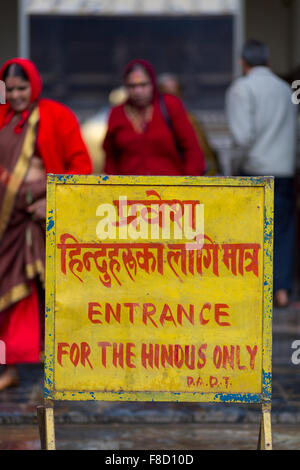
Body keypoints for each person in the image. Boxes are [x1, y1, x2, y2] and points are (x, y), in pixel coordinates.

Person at [0, 58, 92, 390]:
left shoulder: (57, 115)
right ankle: (9, 369)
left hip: (44, 218)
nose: (16, 95)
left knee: (50, 290)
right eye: (9, 90)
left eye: (22, 88)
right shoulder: (1, 117)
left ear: (34, 85)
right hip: (7, 223)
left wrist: (49, 201)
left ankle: (60, 365)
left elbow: (81, 167)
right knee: (9, 294)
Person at [225, 39, 298, 308]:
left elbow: (242, 138)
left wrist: (232, 170)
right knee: (283, 232)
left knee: (252, 234)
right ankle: (281, 291)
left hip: (255, 171)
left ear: (242, 62)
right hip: (284, 171)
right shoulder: (284, 88)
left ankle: (255, 293)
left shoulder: (241, 89)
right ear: (268, 61)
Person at [103, 59, 206, 176]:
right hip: (129, 189)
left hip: (170, 188)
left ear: (152, 84)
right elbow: (110, 157)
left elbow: (193, 151)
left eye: (143, 85)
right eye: (132, 86)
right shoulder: (117, 114)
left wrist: (188, 186)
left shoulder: (171, 106)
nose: (138, 91)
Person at [157, 73, 221, 176]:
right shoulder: (152, 121)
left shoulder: (190, 119)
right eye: (168, 94)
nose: (173, 100)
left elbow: (203, 150)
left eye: (176, 94)